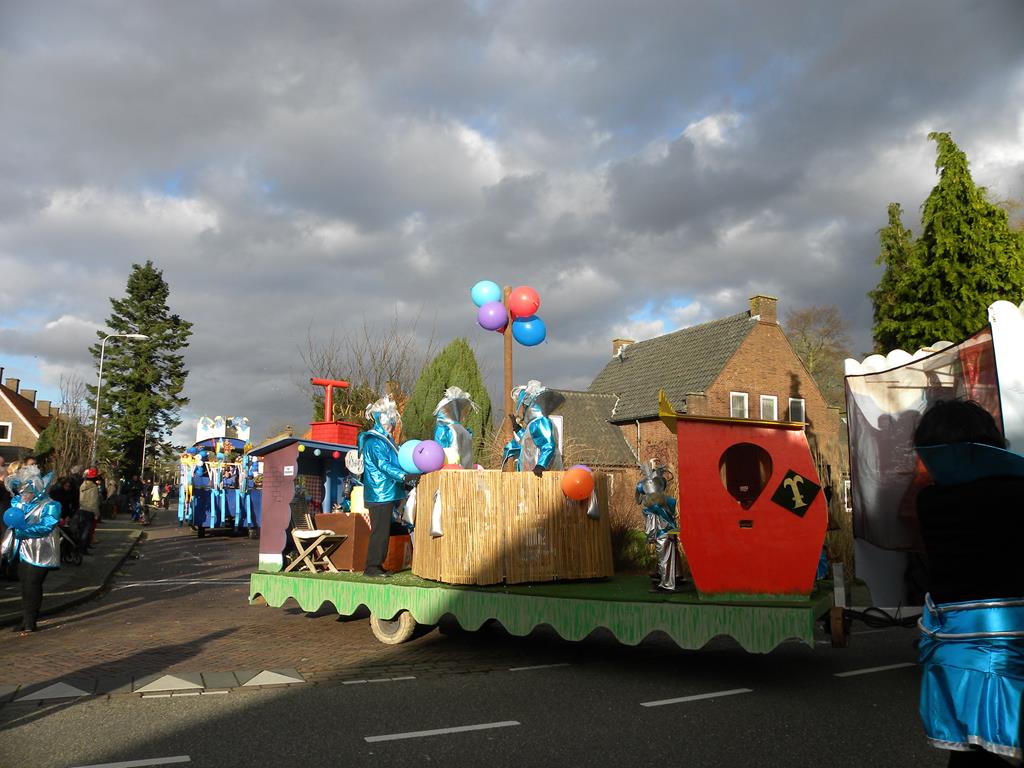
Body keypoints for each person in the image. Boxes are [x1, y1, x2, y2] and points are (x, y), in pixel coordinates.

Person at [913, 399, 1024, 766]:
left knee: (969, 754)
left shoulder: (929, 501)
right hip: (1011, 644)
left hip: (952, 647)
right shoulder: (1014, 493)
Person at [358, 396, 416, 578]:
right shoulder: (375, 442)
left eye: (392, 422)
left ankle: (377, 565)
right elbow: (383, 465)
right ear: (381, 420)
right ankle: (372, 567)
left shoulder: (384, 441)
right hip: (379, 494)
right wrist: (404, 476)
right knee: (380, 532)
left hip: (386, 493)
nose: (392, 425)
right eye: (390, 421)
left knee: (383, 531)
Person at [3, 465, 61, 633]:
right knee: (25, 584)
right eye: (22, 491)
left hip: (41, 550)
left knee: (33, 583)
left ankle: (30, 621)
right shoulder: (19, 503)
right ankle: (26, 619)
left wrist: (23, 531)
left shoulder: (51, 505)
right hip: (22, 550)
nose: (24, 495)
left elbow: (47, 526)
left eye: (27, 491)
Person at [636, 458, 682, 592]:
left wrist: (650, 537)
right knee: (669, 557)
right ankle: (675, 577)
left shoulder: (653, 507)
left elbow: (651, 528)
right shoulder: (668, 501)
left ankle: (667, 584)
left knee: (664, 559)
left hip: (663, 535)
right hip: (669, 533)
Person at [510, 380, 564, 475]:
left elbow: (548, 445)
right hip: (532, 476)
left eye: (524, 405)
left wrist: (540, 465)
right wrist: (518, 429)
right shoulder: (536, 423)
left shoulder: (540, 422)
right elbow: (530, 442)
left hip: (541, 477)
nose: (523, 409)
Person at [432, 387, 477, 468]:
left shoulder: (445, 430)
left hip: (450, 471)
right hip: (468, 472)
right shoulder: (464, 431)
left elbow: (439, 452)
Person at [78, 468, 102, 555]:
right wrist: (97, 513)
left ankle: (82, 546)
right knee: (88, 530)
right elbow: (94, 501)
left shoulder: (82, 485)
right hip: (90, 510)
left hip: (82, 509)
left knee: (82, 529)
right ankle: (84, 548)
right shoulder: (94, 487)